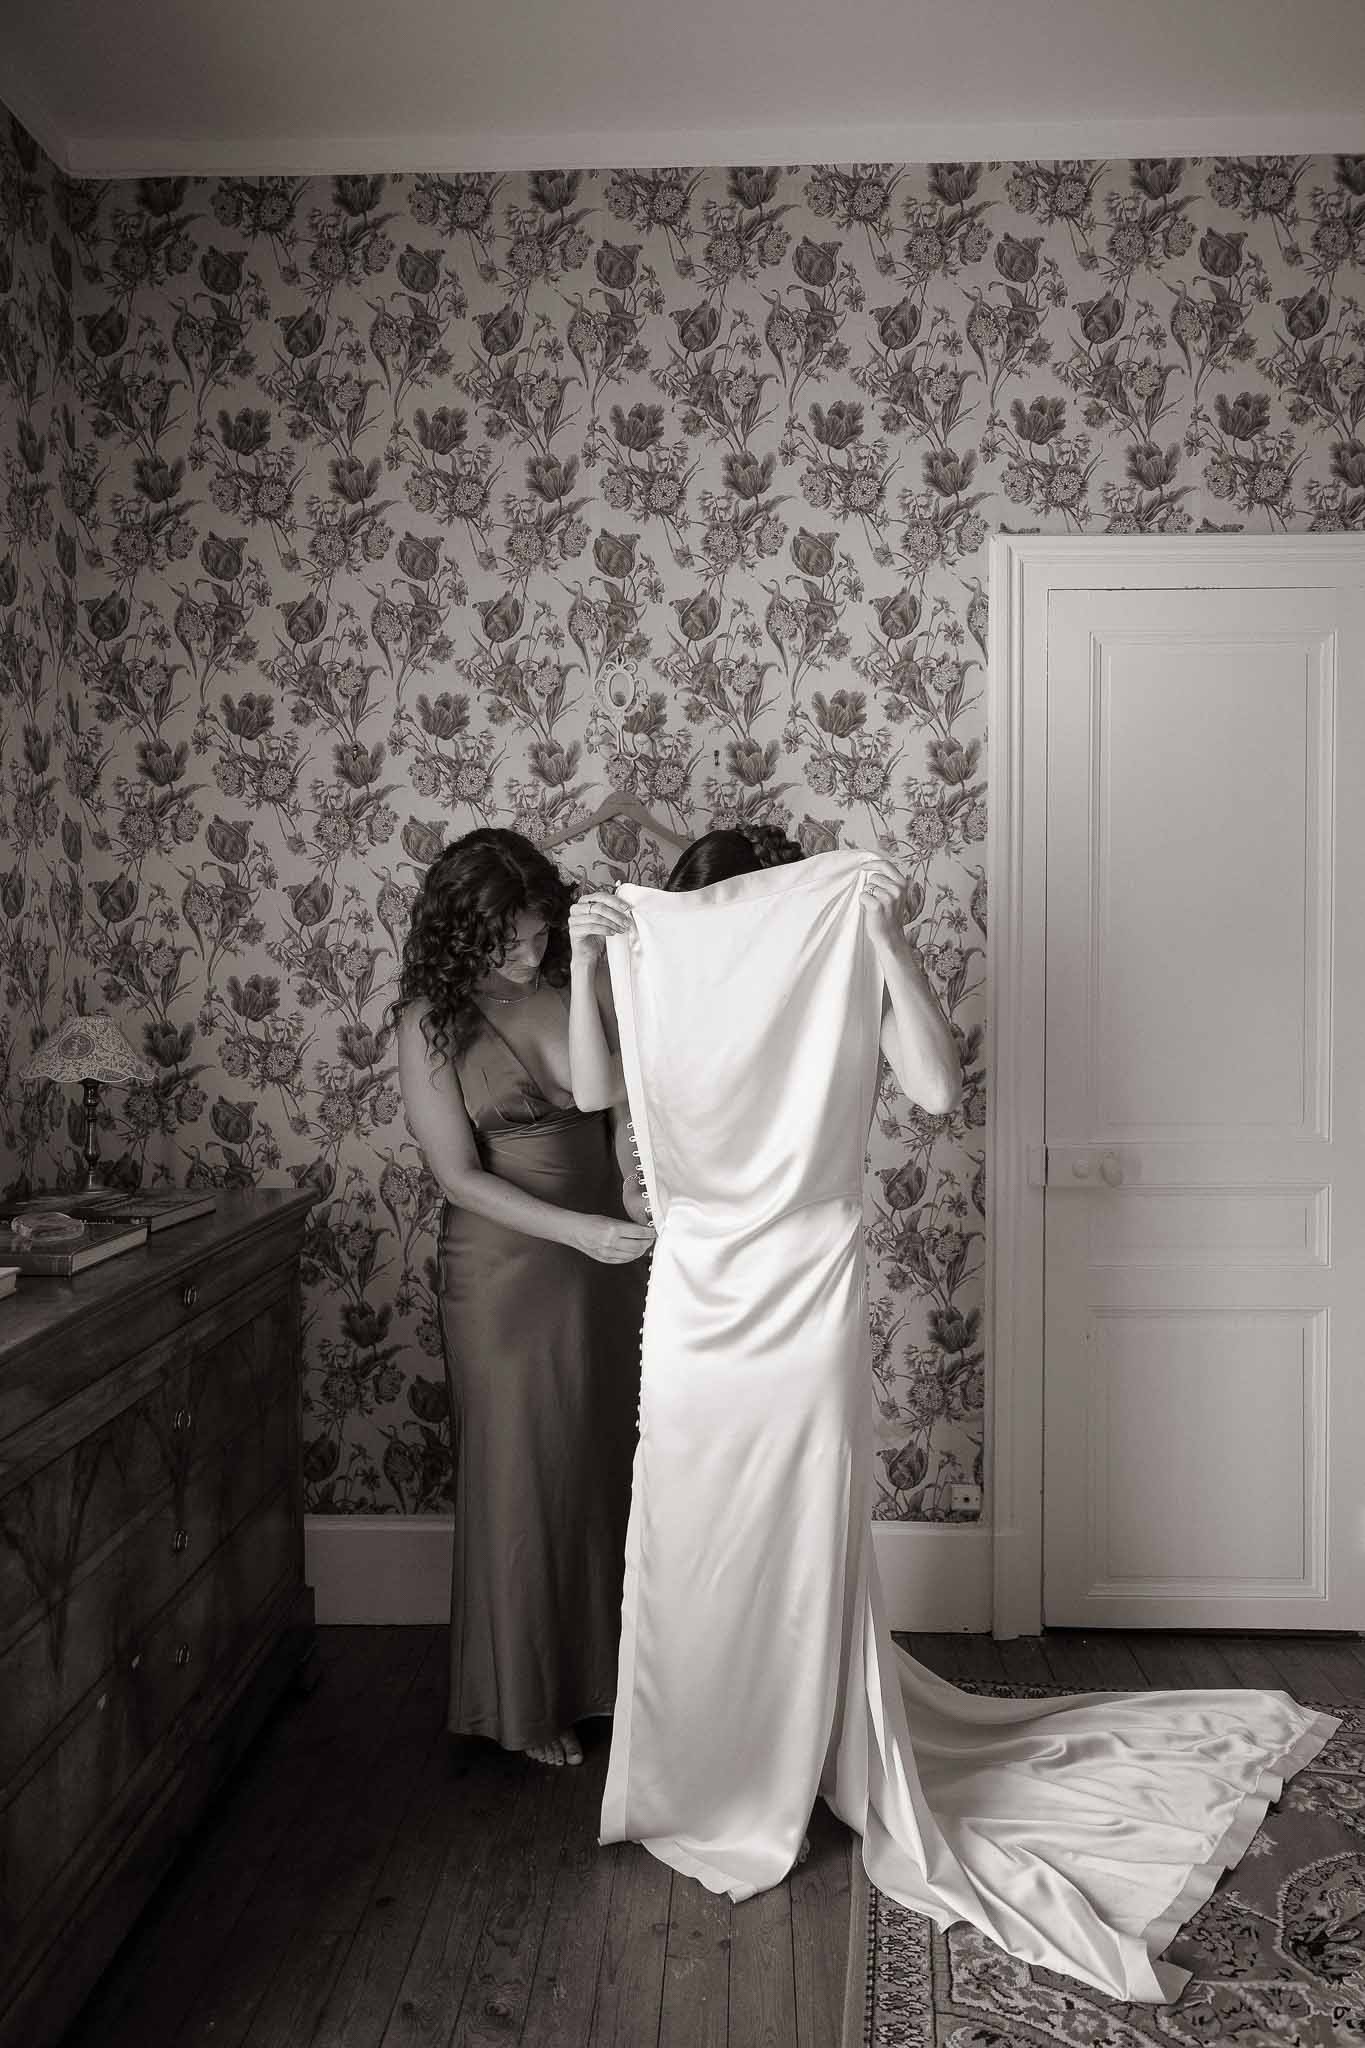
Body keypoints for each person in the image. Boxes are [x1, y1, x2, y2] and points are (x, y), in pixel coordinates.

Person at [567, 820, 1340, 2007]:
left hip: (805, 1296)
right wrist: (588, 961)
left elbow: (931, 1083)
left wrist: (879, 931)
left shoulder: (839, 959)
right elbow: (593, 1091)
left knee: (799, 1542)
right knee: (690, 1544)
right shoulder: (656, 974)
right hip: (693, 1304)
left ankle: (811, 1757)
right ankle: (700, 1774)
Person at [393, 827, 655, 1769]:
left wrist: (625, 1196)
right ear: (462, 932)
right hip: (506, 1267)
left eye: (536, 931)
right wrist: (577, 1231)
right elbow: (457, 1176)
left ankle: (614, 1683)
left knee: (605, 1463)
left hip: (608, 1251)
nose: (525, 952)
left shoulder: (576, 982)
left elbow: (626, 1112)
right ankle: (523, 1703)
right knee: (522, 1476)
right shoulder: (431, 1018)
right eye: (504, 938)